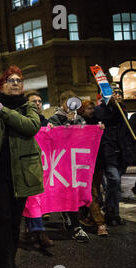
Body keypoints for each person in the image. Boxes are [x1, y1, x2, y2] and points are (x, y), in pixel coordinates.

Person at [0, 65, 44, 268]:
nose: (16, 83)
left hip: (22, 176)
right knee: (3, 221)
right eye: (11, 80)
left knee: (15, 222)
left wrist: (4, 112)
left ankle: (8, 264)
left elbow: (30, 127)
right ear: (2, 85)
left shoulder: (29, 108)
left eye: (19, 80)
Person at [48, 90, 89, 243]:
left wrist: (97, 130)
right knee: (69, 193)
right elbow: (56, 139)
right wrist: (68, 124)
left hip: (77, 163)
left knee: (76, 193)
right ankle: (76, 226)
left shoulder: (80, 119)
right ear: (62, 103)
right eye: (68, 102)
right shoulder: (54, 119)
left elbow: (85, 137)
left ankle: (72, 219)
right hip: (62, 163)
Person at [94, 88, 134, 226]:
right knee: (114, 181)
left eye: (119, 94)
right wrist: (113, 106)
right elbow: (108, 118)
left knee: (115, 186)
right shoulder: (100, 110)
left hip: (121, 154)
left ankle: (112, 212)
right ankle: (111, 211)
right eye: (113, 94)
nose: (117, 96)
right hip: (108, 153)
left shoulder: (123, 111)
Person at [21, 90, 54, 248]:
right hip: (28, 165)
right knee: (33, 198)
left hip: (45, 166)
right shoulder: (24, 120)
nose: (38, 104)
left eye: (40, 101)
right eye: (34, 101)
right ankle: (39, 231)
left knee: (35, 199)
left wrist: (52, 131)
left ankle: (30, 229)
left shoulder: (46, 122)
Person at [77, 100, 108, 236]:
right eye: (88, 108)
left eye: (92, 108)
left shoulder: (98, 122)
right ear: (82, 110)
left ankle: (86, 216)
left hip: (98, 162)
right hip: (84, 163)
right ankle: (100, 224)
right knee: (92, 192)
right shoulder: (77, 122)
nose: (91, 111)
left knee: (94, 191)